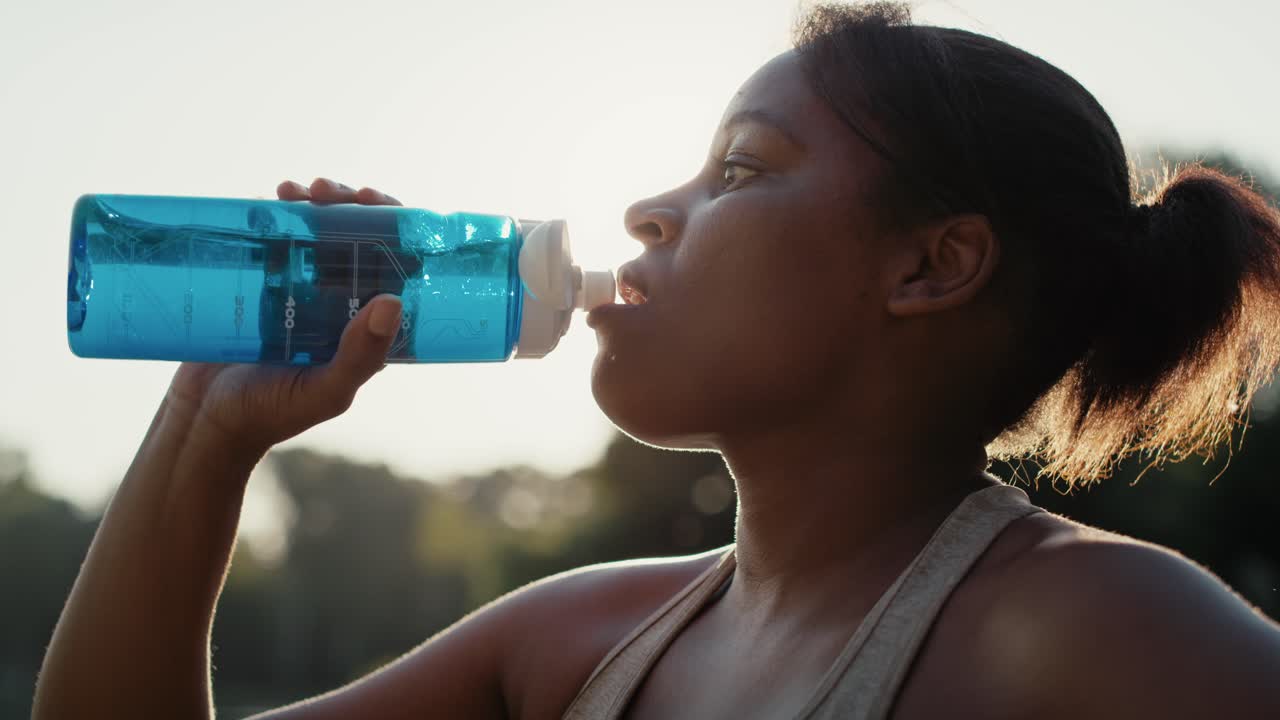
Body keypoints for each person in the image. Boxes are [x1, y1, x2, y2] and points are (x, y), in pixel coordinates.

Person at [33, 2, 1280, 718]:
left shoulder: (1098, 632)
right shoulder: (576, 640)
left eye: (738, 168)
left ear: (930, 266)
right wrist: (207, 434)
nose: (644, 210)